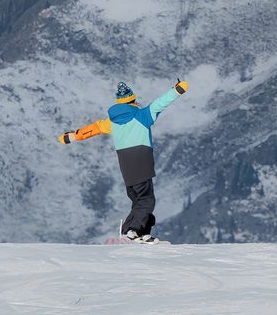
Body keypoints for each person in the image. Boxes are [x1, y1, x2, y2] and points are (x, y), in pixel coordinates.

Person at [58, 79, 188, 243]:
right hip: (141, 160)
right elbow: (160, 103)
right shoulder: (142, 115)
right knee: (146, 200)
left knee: (138, 200)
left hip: (125, 166)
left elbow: (92, 129)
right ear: (132, 100)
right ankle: (134, 231)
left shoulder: (111, 121)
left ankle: (134, 232)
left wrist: (71, 136)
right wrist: (177, 89)